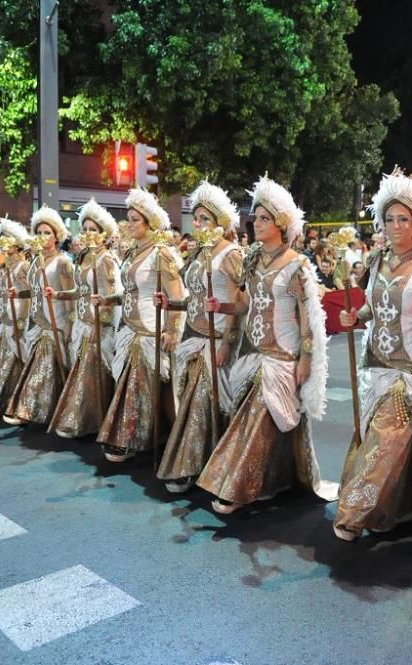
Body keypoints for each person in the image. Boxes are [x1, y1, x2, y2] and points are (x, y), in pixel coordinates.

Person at [333, 170, 412, 541]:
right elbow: (373, 309)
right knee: (377, 439)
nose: (394, 226)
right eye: (389, 219)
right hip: (377, 365)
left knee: (384, 440)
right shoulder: (376, 262)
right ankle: (400, 510)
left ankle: (353, 513)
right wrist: (353, 316)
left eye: (402, 219)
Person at [196, 175, 335, 514]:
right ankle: (272, 481)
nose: (256, 224)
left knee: (258, 412)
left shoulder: (298, 265)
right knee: (255, 414)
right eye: (255, 218)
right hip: (255, 354)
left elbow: (307, 318)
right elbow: (244, 305)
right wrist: (224, 307)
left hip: (283, 358)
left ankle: (234, 487)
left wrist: (306, 360)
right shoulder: (252, 259)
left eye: (264, 219)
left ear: (281, 224)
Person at [154, 182, 244, 493]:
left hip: (220, 342)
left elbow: (239, 306)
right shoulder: (198, 254)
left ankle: (199, 467)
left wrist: (228, 345)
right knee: (194, 403)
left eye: (206, 219)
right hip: (195, 339)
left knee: (207, 404)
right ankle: (198, 464)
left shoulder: (232, 254)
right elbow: (193, 298)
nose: (200, 224)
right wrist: (171, 304)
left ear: (221, 223)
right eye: (197, 218)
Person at [96, 189, 185, 462]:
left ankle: (134, 439)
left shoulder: (162, 254)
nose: (129, 224)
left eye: (135, 219)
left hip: (150, 330)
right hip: (130, 328)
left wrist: (171, 328)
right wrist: (109, 298)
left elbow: (177, 295)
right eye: (129, 219)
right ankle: (129, 437)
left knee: (140, 388)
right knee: (129, 384)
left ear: (149, 223)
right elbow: (130, 291)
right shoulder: (134, 252)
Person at [48, 199, 122, 439]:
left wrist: (103, 316)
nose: (89, 234)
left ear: (103, 234)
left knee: (93, 375)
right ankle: (88, 421)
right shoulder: (83, 259)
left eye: (94, 229)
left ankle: (91, 421)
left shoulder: (107, 259)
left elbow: (112, 296)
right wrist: (59, 294)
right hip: (83, 324)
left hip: (99, 327)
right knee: (83, 373)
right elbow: (81, 291)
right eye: (86, 229)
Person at [3, 206, 74, 426]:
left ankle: (28, 410)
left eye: (47, 233)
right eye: (39, 233)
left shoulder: (63, 262)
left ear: (56, 237)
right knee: (41, 368)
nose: (42, 237)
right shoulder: (35, 262)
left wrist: (70, 326)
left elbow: (71, 296)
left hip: (57, 323)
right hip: (39, 323)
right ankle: (41, 410)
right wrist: (20, 293)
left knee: (46, 368)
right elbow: (34, 292)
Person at [0, 218, 33, 420]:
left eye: (7, 239)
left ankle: (21, 404)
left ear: (18, 243)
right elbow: (2, 294)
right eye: (1, 239)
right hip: (4, 319)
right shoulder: (3, 267)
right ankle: (4, 402)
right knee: (4, 363)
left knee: (18, 362)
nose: (3, 243)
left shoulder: (24, 266)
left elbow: (30, 293)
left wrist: (22, 321)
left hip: (19, 319)